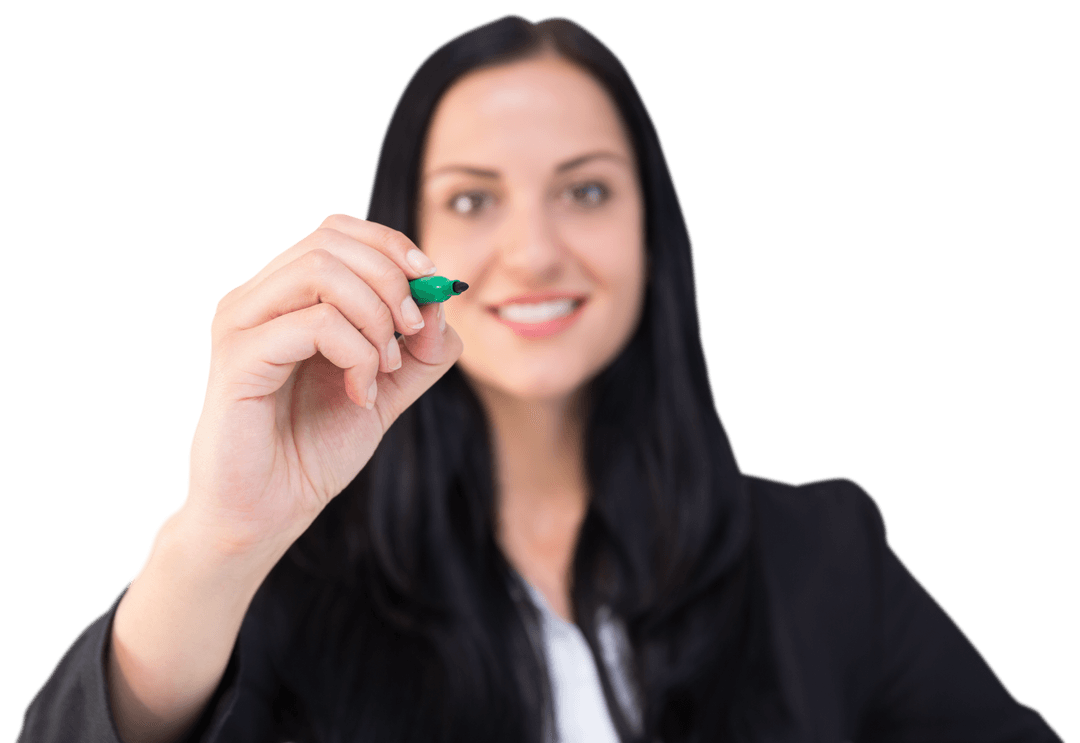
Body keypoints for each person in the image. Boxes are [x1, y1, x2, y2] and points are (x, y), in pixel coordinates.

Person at [16, 13, 1064, 743]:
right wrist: (222, 536)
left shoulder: (826, 553)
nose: (535, 251)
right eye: (473, 201)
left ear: (654, 235)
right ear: (401, 237)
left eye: (587, 191)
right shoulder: (289, 580)